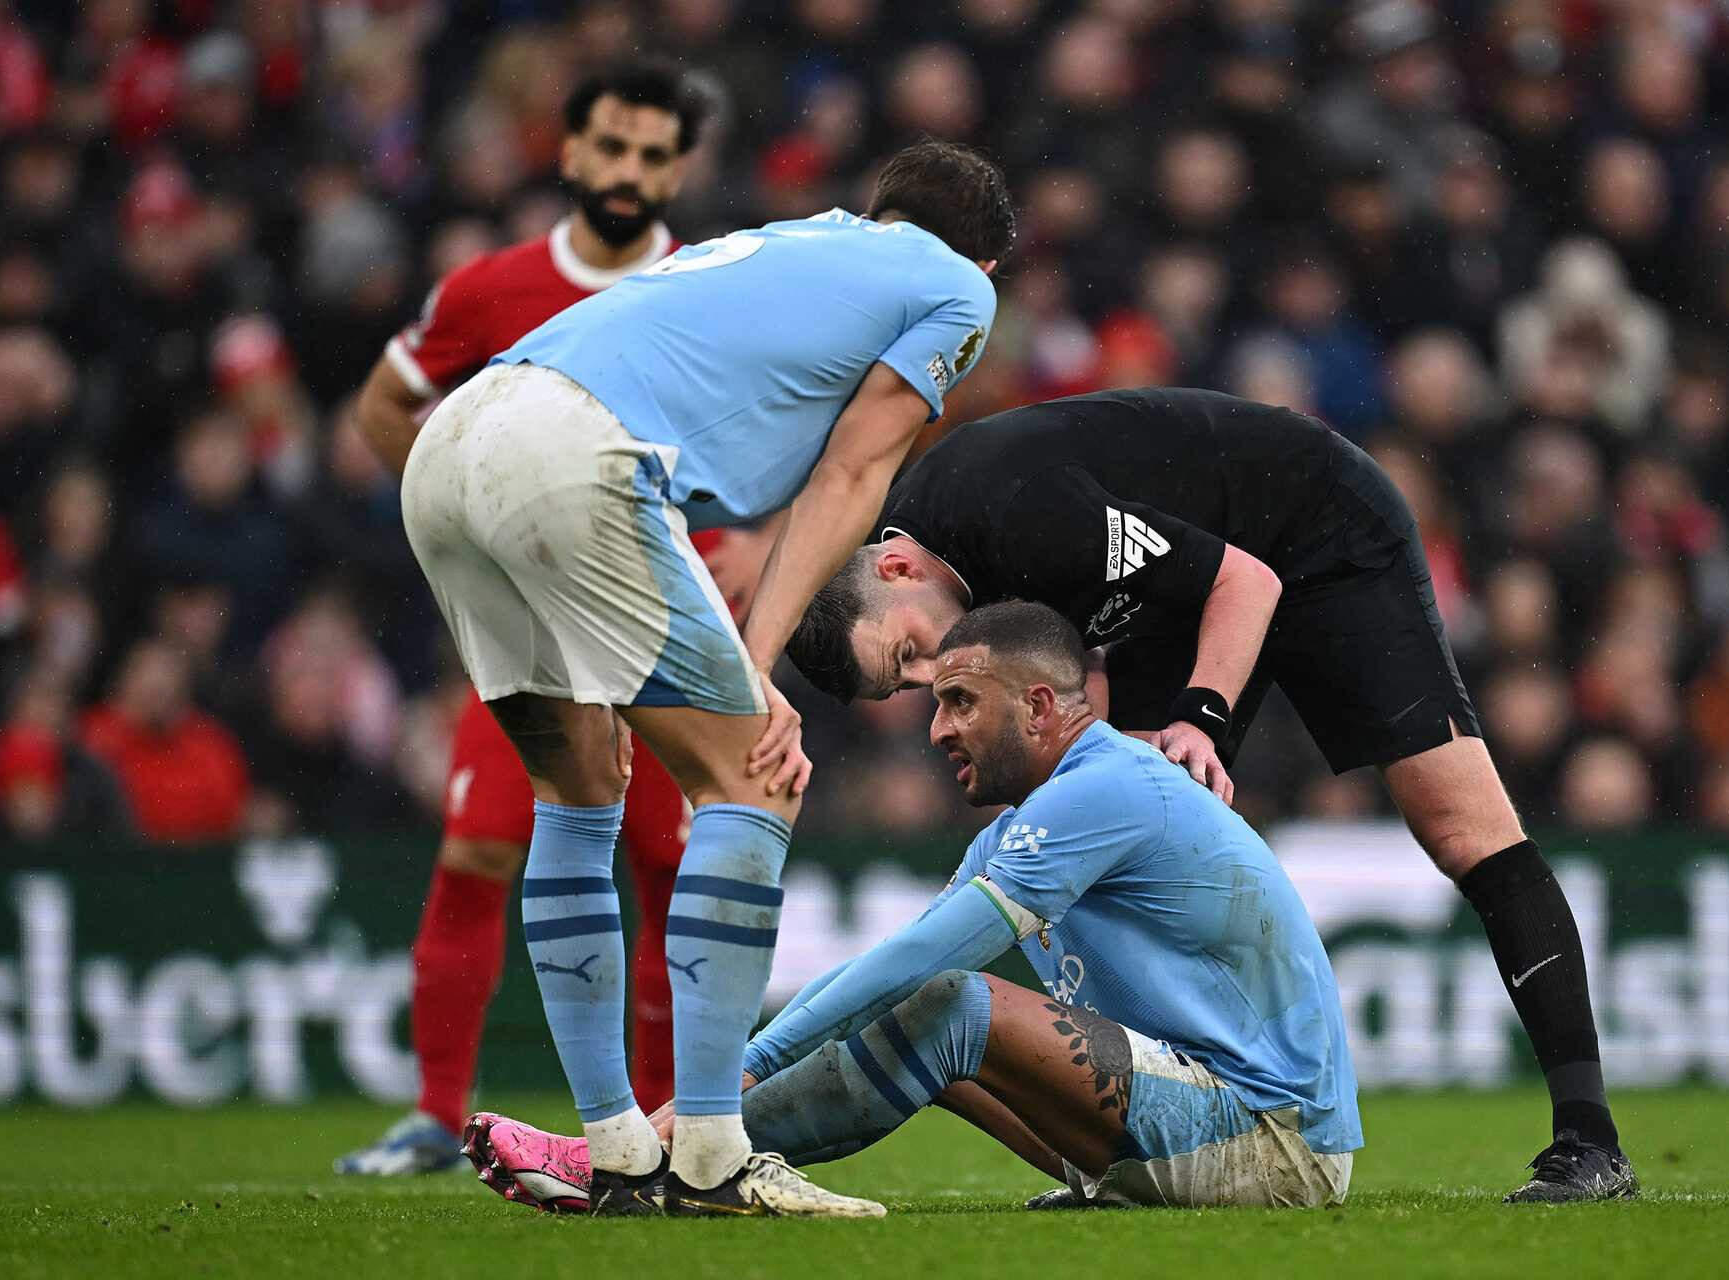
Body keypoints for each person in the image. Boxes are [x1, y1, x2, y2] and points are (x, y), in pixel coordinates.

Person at [786, 387, 1638, 1203]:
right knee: (1101, 820)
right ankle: (1177, 1126)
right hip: (1183, 592)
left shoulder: (1013, 511)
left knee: (1463, 831)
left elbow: (1247, 580)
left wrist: (1201, 716)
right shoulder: (959, 574)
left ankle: (1589, 1139)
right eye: (908, 685)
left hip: (1314, 530)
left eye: (909, 653)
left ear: (896, 566)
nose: (932, 677)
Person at [399, 139, 1013, 1216]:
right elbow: (857, 468)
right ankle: (715, 1153)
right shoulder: (957, 286)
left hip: (453, 443)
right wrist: (758, 658)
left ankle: (619, 1148)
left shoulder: (795, 242)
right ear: (989, 262)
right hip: (575, 450)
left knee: (581, 783)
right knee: (757, 778)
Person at [462, 601, 1362, 1212]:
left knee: (954, 1006)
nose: (937, 730)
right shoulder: (1036, 816)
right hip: (1197, 1116)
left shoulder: (1109, 790)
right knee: (932, 1024)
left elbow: (930, 964)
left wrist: (750, 1062)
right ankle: (685, 1156)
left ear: (1041, 707)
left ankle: (657, 1167)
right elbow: (902, 965)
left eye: (960, 702)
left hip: (1278, 1145)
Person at [336, 60, 723, 1176]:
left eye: (654, 155)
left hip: (655, 625)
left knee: (668, 867)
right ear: (569, 151)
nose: (629, 172)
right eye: (612, 147)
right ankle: (432, 1114)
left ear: (678, 168)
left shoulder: (702, 285)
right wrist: (464, 523)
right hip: (526, 631)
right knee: (473, 851)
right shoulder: (488, 290)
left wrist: (737, 540)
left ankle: (663, 1120)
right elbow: (381, 401)